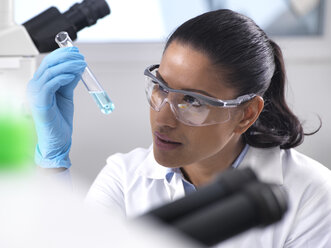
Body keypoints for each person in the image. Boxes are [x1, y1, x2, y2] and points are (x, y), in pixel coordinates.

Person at [27, 9, 331, 247]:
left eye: (192, 101)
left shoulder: (312, 192)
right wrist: (52, 164)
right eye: (160, 86)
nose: (163, 119)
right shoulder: (124, 177)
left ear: (246, 114)